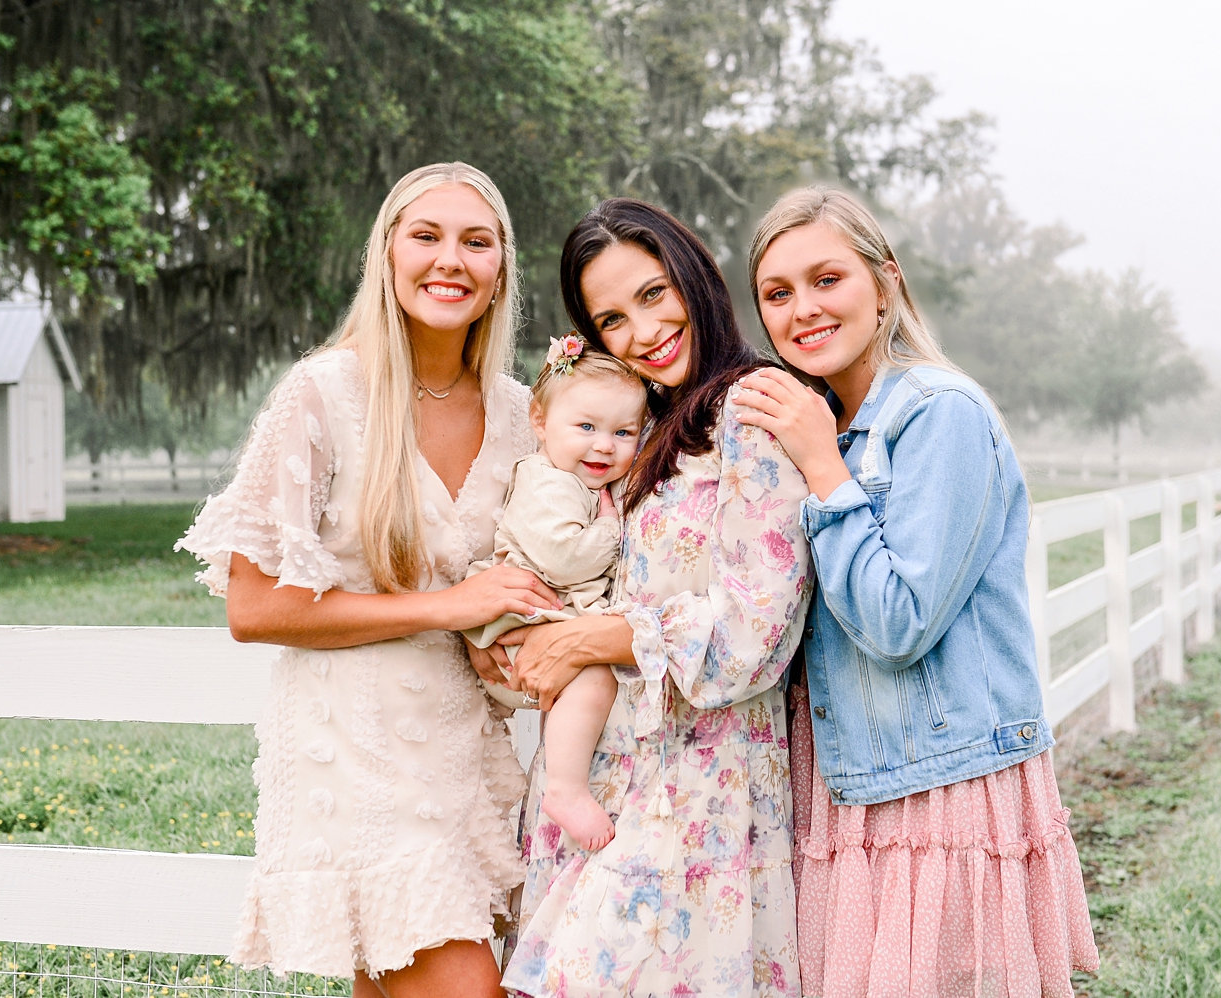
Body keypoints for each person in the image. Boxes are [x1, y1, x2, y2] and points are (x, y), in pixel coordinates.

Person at [175, 162, 563, 998]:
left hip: (463, 752)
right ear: (387, 254)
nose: (449, 259)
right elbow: (253, 607)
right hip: (351, 752)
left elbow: (525, 577)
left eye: (476, 241)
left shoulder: (521, 413)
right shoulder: (322, 394)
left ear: (501, 271)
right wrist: (449, 605)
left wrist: (505, 638)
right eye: (425, 236)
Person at [734, 186, 1099, 997]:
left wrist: (825, 471)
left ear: (886, 282)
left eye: (827, 279)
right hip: (845, 784)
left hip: (941, 787)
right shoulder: (821, 418)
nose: (804, 310)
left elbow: (900, 621)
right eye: (778, 293)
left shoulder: (940, 416)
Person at [497, 198, 813, 997]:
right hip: (603, 775)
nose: (641, 332)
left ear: (693, 275)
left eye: (651, 293)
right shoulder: (640, 429)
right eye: (610, 319)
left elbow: (755, 631)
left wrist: (594, 638)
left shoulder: (752, 411)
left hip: (696, 786)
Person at [462, 337, 647, 850]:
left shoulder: (574, 480)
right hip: (522, 626)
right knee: (593, 678)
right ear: (540, 421)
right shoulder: (549, 483)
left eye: (623, 432)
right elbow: (564, 557)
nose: (605, 445)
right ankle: (565, 790)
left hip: (545, 618)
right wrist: (611, 532)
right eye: (586, 427)